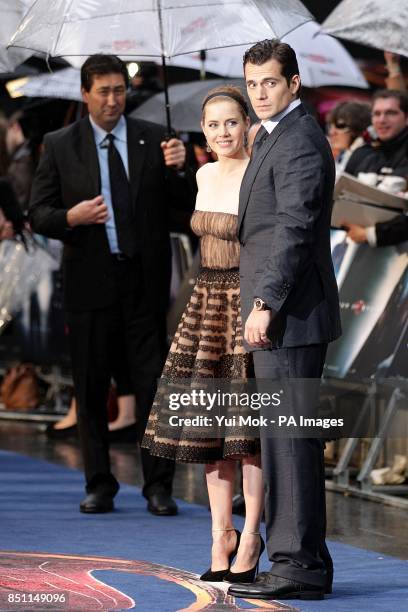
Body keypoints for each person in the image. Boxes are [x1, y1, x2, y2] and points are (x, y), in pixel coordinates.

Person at [29, 54, 193, 516]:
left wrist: (180, 168)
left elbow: (184, 207)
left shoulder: (155, 138)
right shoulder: (60, 144)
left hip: (143, 281)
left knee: (151, 386)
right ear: (85, 94)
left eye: (119, 90)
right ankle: (99, 483)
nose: (112, 99)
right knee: (91, 383)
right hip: (89, 283)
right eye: (103, 91)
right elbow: (37, 212)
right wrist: (70, 218)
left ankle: (158, 486)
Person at [227, 40, 341, 602]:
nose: (261, 93)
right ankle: (302, 558)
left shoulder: (298, 141)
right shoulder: (272, 137)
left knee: (291, 443)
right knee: (282, 441)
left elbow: (293, 229)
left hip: (290, 315)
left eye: (270, 82)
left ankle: (298, 566)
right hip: (280, 314)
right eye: (252, 84)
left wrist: (266, 301)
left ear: (294, 83)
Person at [143, 85, 265, 584]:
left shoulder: (258, 173)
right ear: (204, 130)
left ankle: (252, 535)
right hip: (205, 305)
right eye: (213, 125)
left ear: (247, 125)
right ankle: (220, 533)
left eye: (231, 123)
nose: (222, 133)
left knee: (247, 433)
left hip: (246, 302)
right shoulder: (202, 172)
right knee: (206, 430)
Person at [344, 90, 408, 178]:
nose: (382, 120)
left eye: (390, 113)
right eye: (377, 114)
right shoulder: (362, 153)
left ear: (406, 117)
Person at [326, 101, 371, 174]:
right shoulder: (341, 156)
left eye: (340, 126)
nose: (332, 132)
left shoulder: (366, 159)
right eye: (330, 126)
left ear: (357, 129)